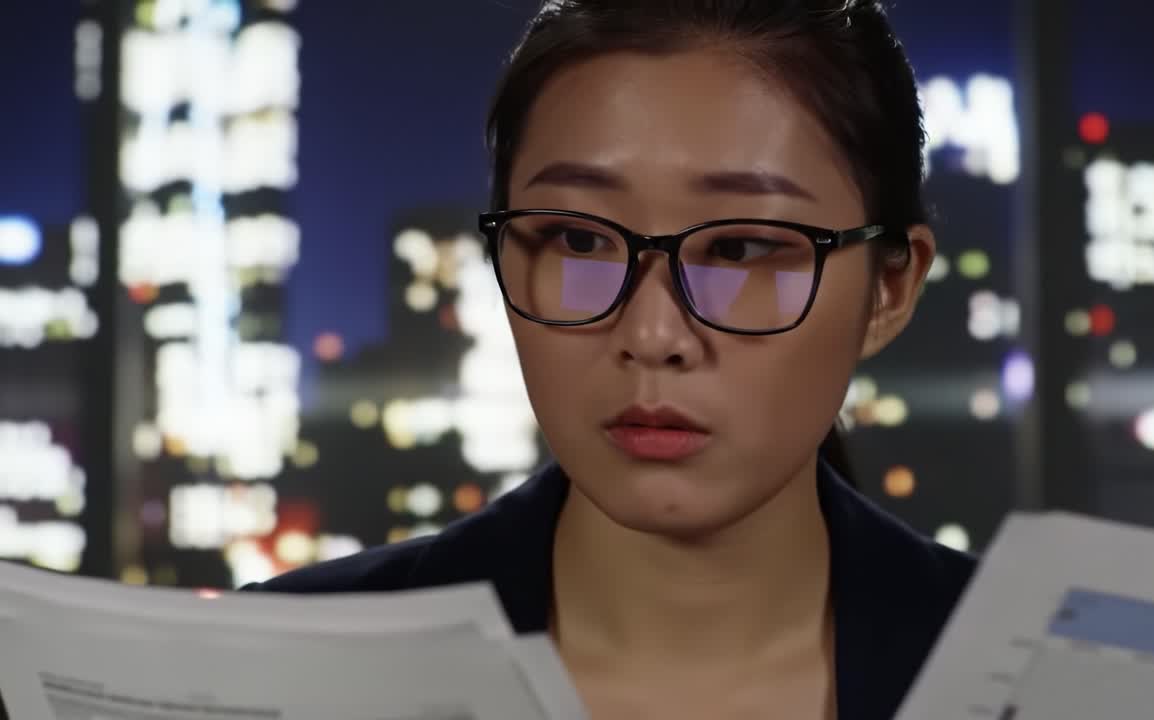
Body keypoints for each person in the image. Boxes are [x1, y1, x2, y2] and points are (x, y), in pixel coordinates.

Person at [243, 1, 975, 717]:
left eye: (740, 248)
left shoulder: (1046, 681)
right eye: (579, 240)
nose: (653, 333)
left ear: (890, 286)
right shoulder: (274, 670)